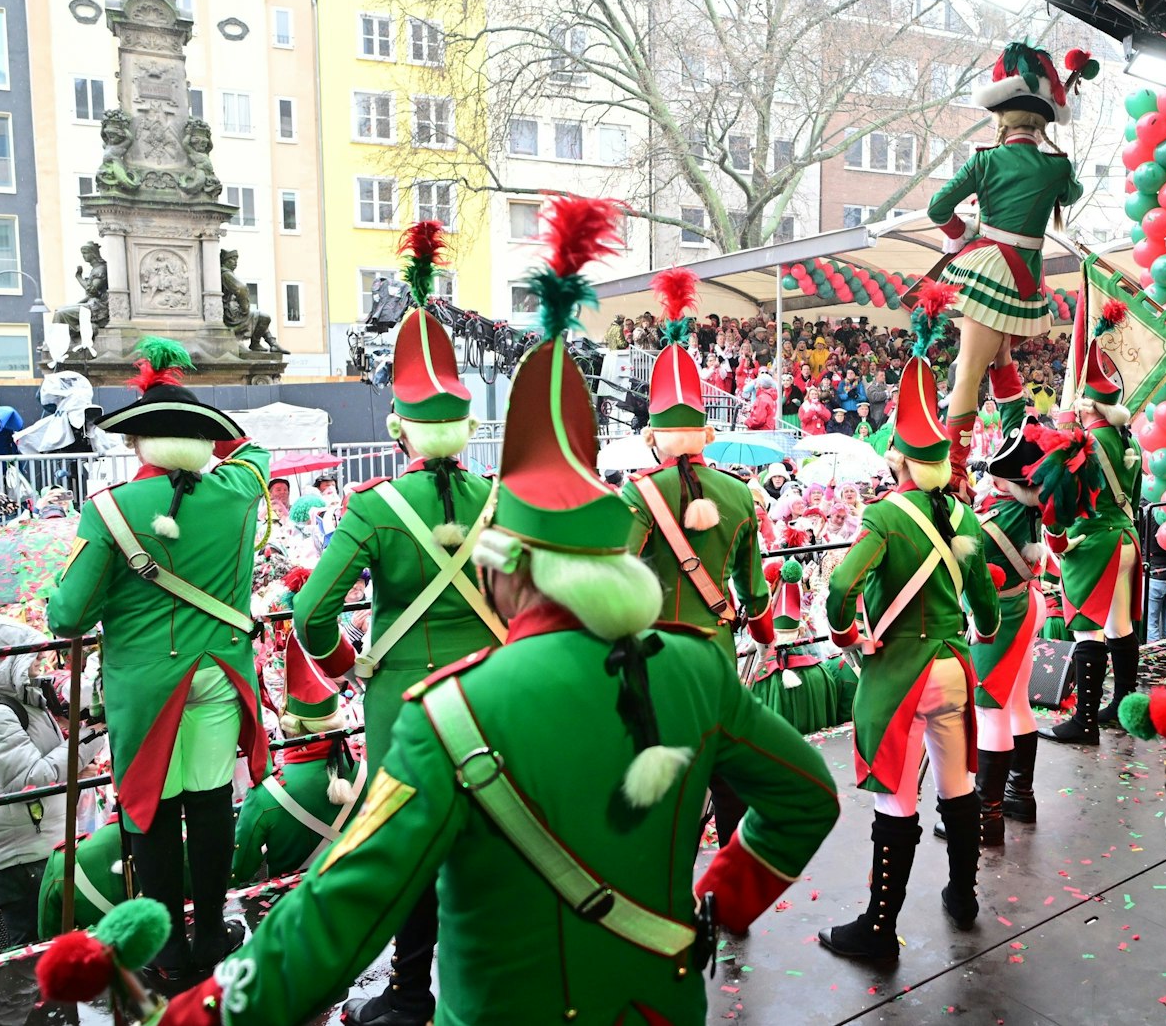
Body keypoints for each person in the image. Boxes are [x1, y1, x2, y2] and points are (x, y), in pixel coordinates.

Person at [151, 196, 839, 1026]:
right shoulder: (696, 667)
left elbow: (330, 920)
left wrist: (192, 1014)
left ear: (511, 564)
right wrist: (717, 904)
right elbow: (809, 796)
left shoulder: (446, 715)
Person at [288, 220, 504, 1026]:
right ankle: (485, 980)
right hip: (488, 690)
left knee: (410, 841)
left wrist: (347, 662)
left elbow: (311, 613)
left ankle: (412, 995)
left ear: (399, 426)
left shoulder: (374, 507)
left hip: (403, 704)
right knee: (488, 832)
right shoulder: (498, 499)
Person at [47, 336, 271, 988]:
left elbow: (68, 614)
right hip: (222, 675)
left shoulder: (110, 507)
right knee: (208, 804)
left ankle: (167, 943)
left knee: (149, 809)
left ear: (140, 444)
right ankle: (210, 932)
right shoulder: (237, 489)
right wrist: (211, 435)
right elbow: (250, 450)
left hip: (147, 686)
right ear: (203, 440)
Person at [819, 289, 1000, 960]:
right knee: (958, 784)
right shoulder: (965, 515)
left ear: (898, 458)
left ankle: (879, 928)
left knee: (897, 802)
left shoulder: (885, 516)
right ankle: (963, 895)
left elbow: (841, 585)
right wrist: (978, 626)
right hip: (955, 665)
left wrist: (842, 629)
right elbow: (985, 602)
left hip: (902, 673)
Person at [620, 266, 776, 844]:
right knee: (722, 766)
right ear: (705, 433)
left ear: (654, 435)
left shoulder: (637, 495)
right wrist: (760, 630)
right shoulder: (740, 493)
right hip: (713, 654)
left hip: (655, 659)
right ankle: (731, 884)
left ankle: (670, 900)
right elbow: (755, 595)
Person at [928, 42, 1095, 495]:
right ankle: (980, 459)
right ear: (1041, 119)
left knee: (970, 370)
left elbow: (937, 207)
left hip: (985, 266)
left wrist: (961, 231)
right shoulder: (1057, 167)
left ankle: (959, 469)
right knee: (989, 362)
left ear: (1002, 115)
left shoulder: (985, 159)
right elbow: (1072, 194)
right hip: (1022, 272)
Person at [0, 618, 109, 948]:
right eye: (32, 658)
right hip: (19, 858)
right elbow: (31, 779)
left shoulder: (23, 701)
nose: (41, 664)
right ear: (5, 664)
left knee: (53, 944)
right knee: (31, 953)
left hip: (36, 844)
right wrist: (91, 737)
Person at [1037, 303, 1142, 745]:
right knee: (1120, 624)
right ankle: (1122, 701)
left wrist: (1058, 542)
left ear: (1088, 406)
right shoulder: (1125, 438)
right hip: (1127, 536)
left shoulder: (1086, 441)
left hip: (1095, 542)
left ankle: (1084, 721)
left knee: (1086, 627)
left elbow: (1060, 501)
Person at [964, 401, 1049, 840]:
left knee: (990, 710)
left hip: (1001, 614)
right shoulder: (1025, 505)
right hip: (1025, 604)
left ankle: (987, 816)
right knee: (1016, 704)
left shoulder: (996, 514)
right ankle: (1020, 796)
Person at [231, 636, 361, 885]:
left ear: (289, 726)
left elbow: (240, 870)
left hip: (297, 908)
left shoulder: (266, 794)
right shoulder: (369, 768)